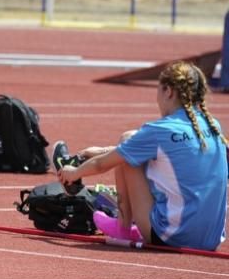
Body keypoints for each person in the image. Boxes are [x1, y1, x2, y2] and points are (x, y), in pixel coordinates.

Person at [55, 61, 227, 251]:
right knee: (133, 147)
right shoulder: (212, 126)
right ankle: (137, 222)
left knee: (128, 141)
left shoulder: (160, 130)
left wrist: (74, 173)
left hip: (172, 237)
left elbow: (102, 165)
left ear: (168, 91)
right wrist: (96, 151)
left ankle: (123, 226)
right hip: (211, 240)